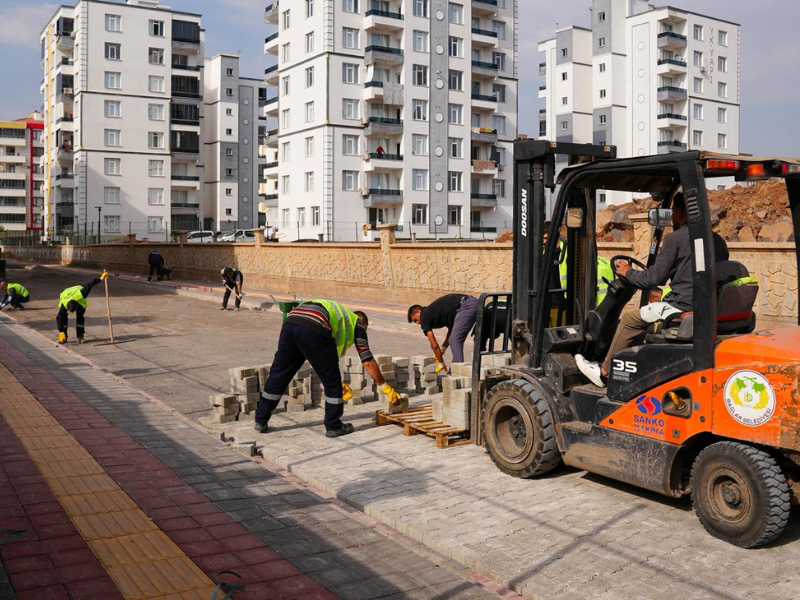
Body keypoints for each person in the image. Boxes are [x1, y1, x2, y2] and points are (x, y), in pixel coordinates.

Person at [576, 193, 729, 387]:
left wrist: (628, 272)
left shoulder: (677, 239)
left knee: (630, 320)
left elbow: (654, 278)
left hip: (685, 308)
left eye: (673, 213)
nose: (672, 217)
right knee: (646, 316)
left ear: (681, 216)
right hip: (707, 308)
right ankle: (635, 366)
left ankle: (604, 373)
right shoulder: (717, 241)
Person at [255, 299, 401, 438]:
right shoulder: (357, 323)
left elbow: (319, 357)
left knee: (279, 374)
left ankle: (261, 420)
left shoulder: (338, 316)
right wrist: (384, 386)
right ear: (363, 323)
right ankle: (333, 426)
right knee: (333, 382)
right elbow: (367, 361)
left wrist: (327, 373)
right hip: (313, 326)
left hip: (291, 322)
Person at [407, 293, 479, 372]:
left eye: (415, 319)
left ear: (418, 311)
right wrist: (443, 349)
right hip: (474, 302)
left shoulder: (424, 316)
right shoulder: (435, 313)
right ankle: (457, 370)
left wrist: (441, 363)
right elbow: (451, 330)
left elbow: (434, 345)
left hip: (466, 306)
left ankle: (458, 373)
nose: (418, 323)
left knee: (455, 340)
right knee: (459, 338)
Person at [56, 272, 108, 344]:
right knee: (63, 318)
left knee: (80, 317)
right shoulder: (63, 306)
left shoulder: (82, 293)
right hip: (67, 293)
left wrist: (101, 278)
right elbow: (58, 319)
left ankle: (80, 336)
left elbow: (90, 284)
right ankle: (64, 336)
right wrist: (61, 331)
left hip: (78, 296)